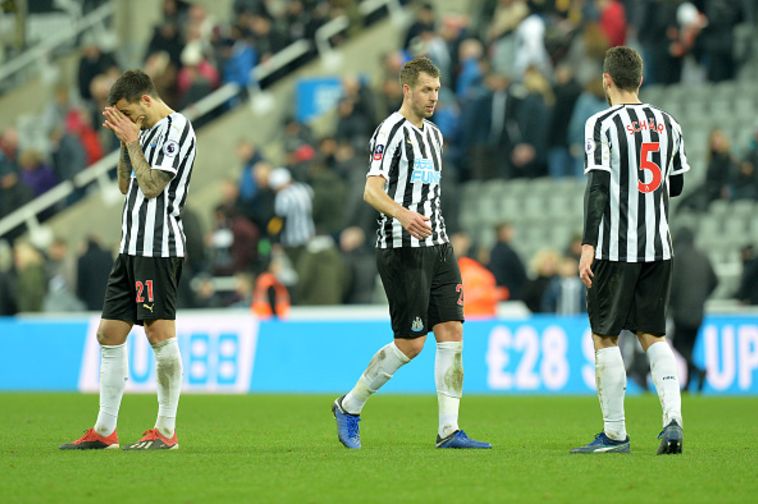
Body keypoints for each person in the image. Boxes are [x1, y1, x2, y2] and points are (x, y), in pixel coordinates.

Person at [331, 56, 490, 450]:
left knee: (452, 331)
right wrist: (402, 215)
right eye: (426, 90)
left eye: (437, 90)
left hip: (438, 246)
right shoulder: (390, 131)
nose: (433, 97)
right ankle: (349, 406)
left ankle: (449, 430)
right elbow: (371, 190)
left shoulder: (435, 135)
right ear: (407, 89)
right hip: (401, 248)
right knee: (411, 344)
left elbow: (432, 193)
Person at [60, 70, 197, 451]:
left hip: (159, 246)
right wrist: (126, 141)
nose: (126, 118)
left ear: (146, 100)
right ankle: (105, 431)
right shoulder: (142, 132)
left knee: (159, 335)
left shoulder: (177, 128)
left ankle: (166, 431)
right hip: (131, 247)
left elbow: (152, 186)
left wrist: (133, 141)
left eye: (126, 111)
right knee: (109, 334)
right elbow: (126, 185)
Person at [572, 47, 688, 455]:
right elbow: (674, 186)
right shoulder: (668, 123)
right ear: (639, 79)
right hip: (659, 247)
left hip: (616, 248)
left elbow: (599, 187)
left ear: (607, 79)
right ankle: (672, 421)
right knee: (654, 336)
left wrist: (588, 244)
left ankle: (615, 434)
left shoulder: (600, 124)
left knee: (605, 336)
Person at [669, 227, 718, 393]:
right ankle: (689, 385)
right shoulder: (703, 257)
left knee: (677, 343)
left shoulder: (678, 258)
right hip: (699, 311)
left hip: (681, 311)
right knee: (689, 348)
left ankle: (698, 371)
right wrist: (702, 296)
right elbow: (715, 281)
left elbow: (672, 284)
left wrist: (669, 305)